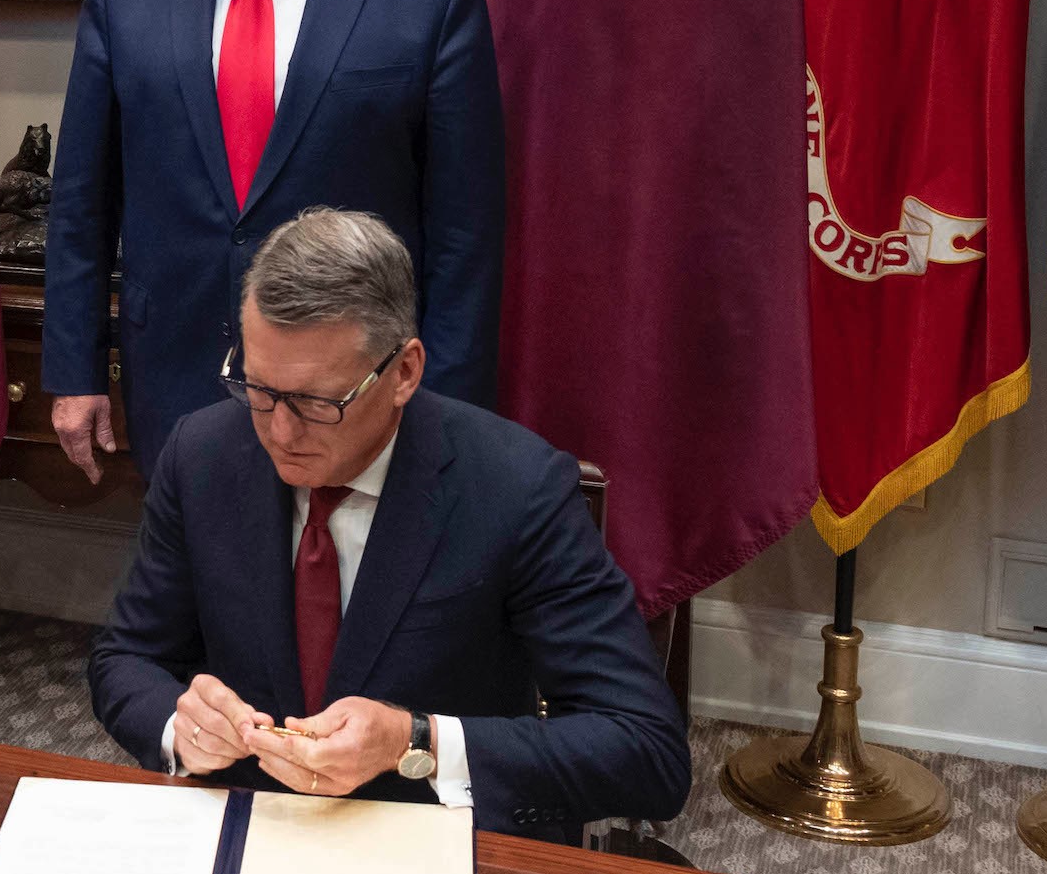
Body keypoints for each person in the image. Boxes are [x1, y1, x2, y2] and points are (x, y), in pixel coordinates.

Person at [87, 208, 689, 841]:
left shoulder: (517, 487)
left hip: (439, 844)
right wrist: (177, 727)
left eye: (319, 403)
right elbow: (126, 655)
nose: (280, 433)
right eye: (258, 389)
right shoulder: (203, 454)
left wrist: (416, 739)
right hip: (249, 831)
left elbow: (646, 749)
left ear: (404, 371)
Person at [43, 0, 504, 483]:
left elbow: (466, 233)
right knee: (198, 592)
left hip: (352, 387)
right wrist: (76, 368)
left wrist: (443, 400)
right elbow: (83, 200)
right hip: (178, 373)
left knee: (349, 591)